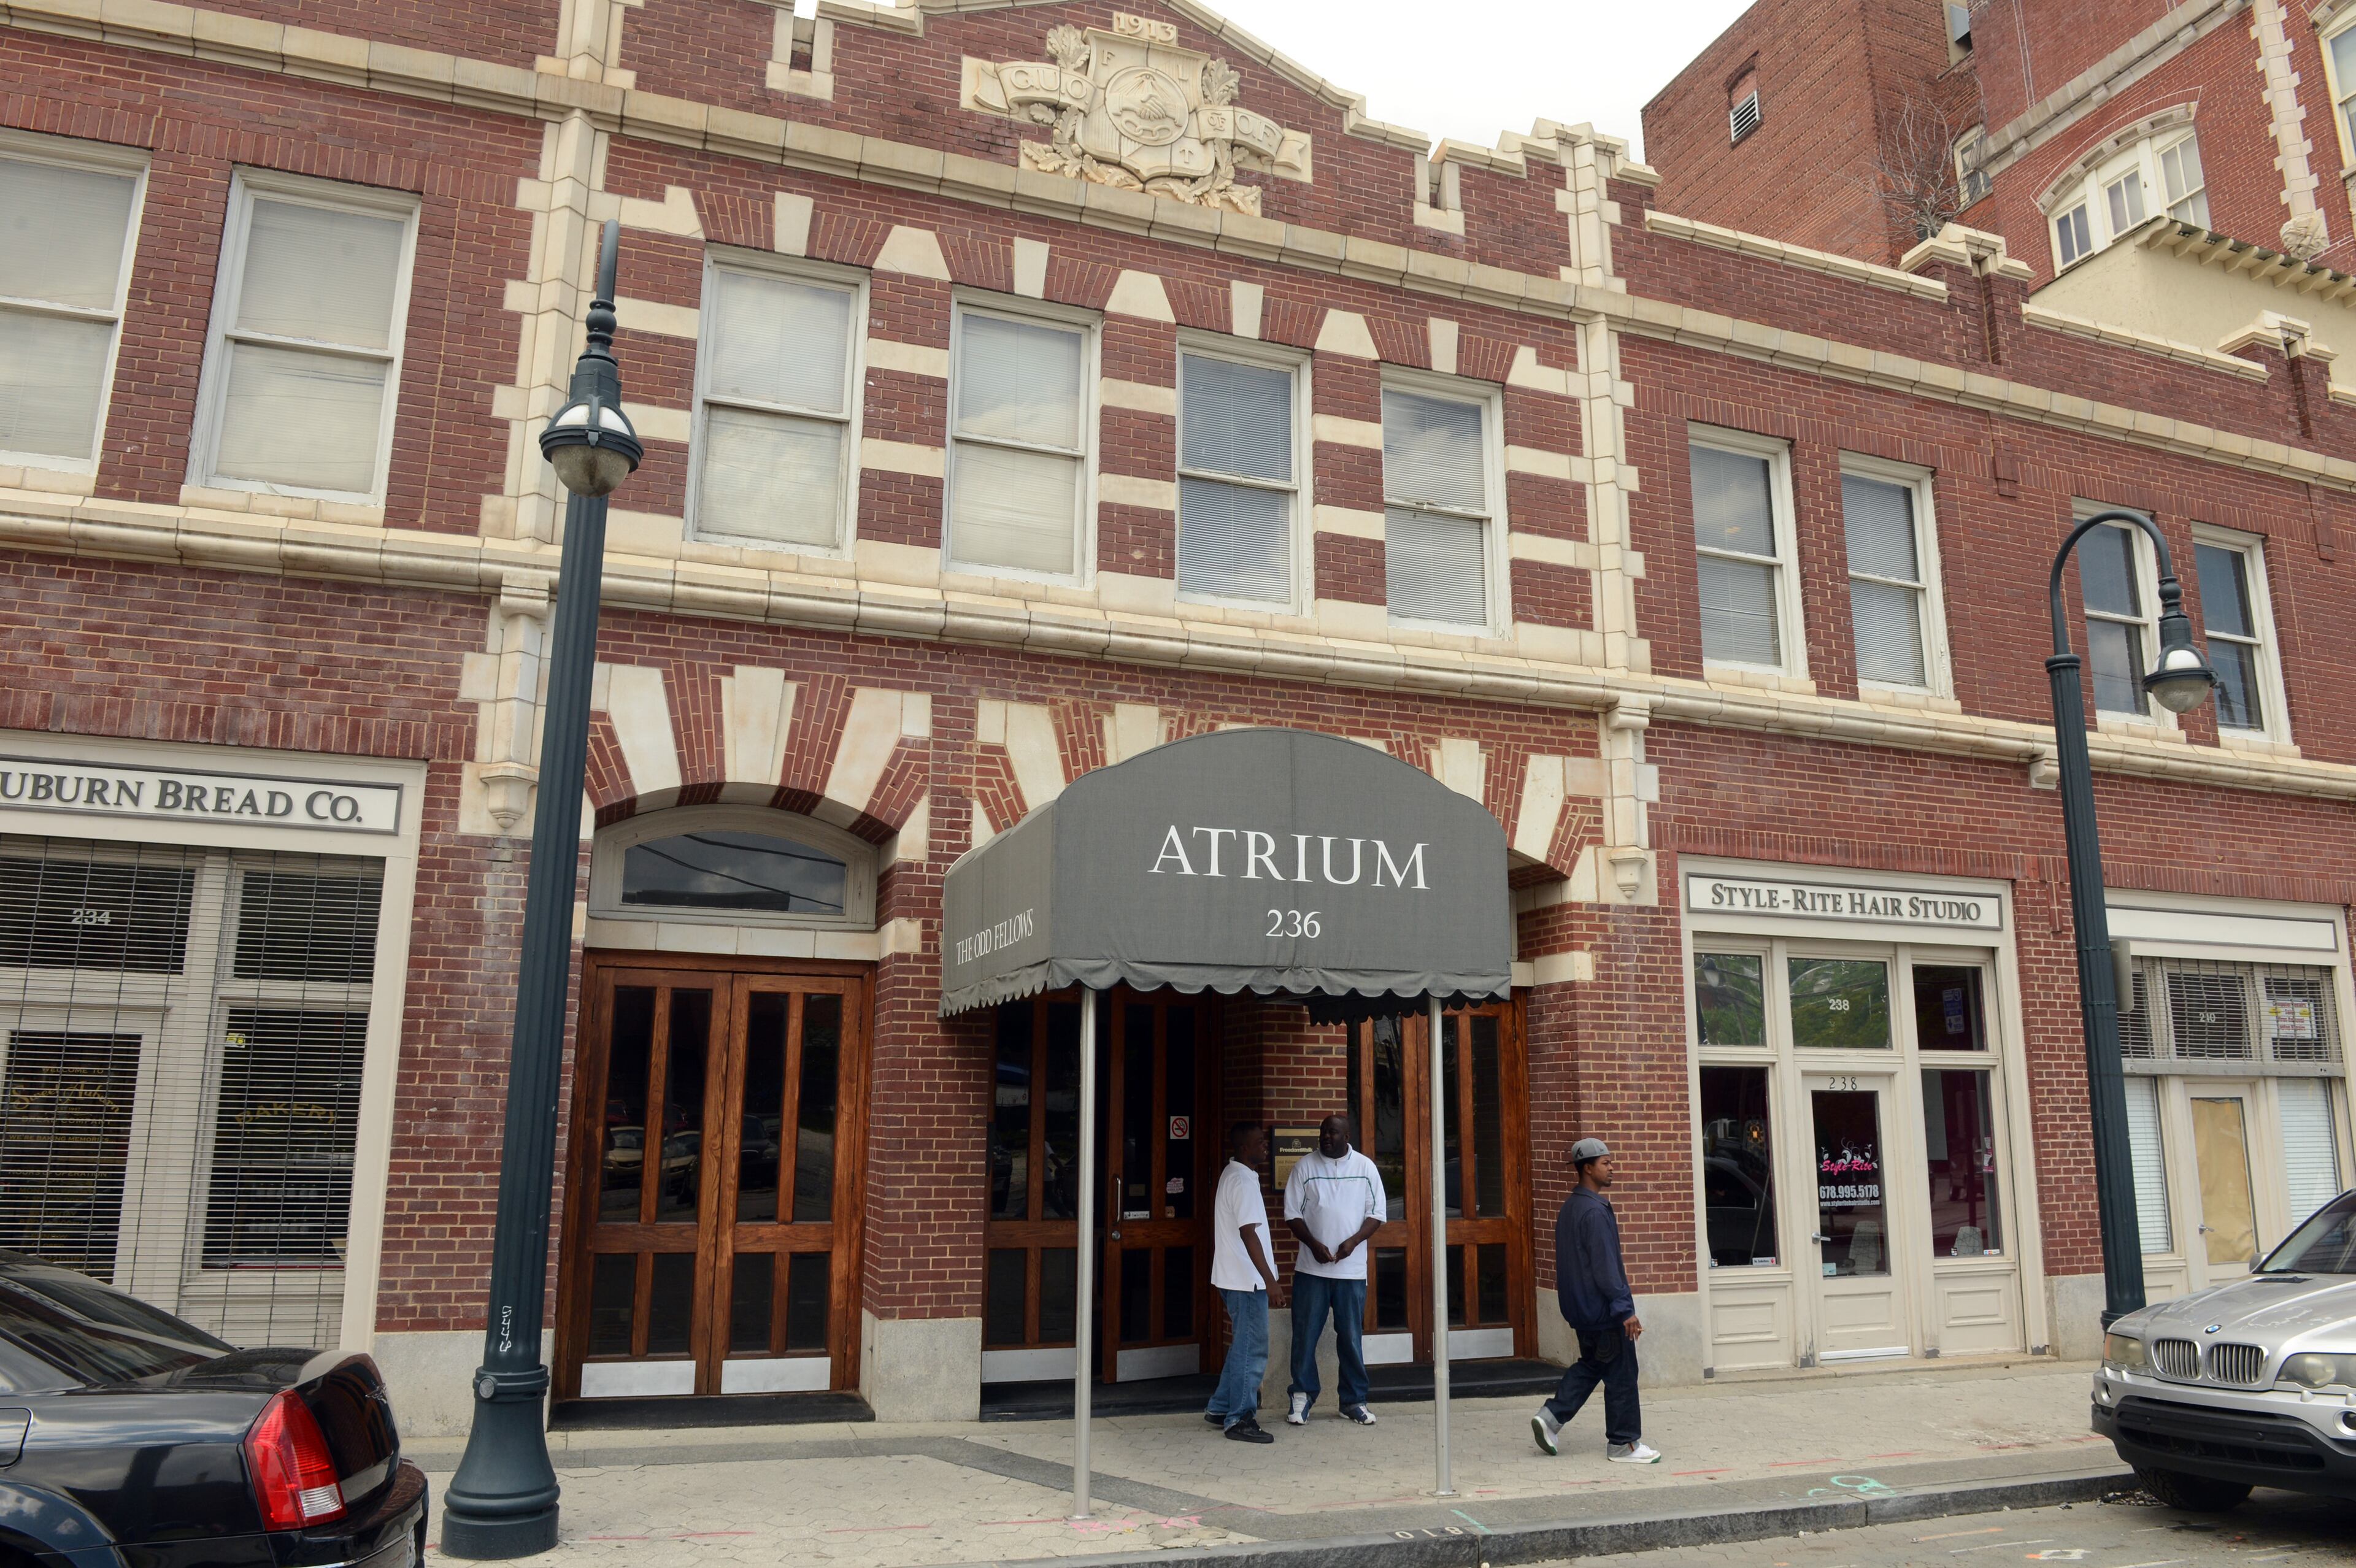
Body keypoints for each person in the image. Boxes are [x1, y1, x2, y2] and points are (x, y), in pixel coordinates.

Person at [1531, 1137, 1661, 1464]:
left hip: (1582, 1311)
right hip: (1604, 1313)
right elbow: (1606, 1267)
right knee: (1621, 1375)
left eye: (1610, 1162)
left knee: (1592, 1365)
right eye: (1605, 1163)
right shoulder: (1594, 1211)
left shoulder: (1571, 1208)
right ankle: (1623, 1444)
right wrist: (1625, 1311)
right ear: (1587, 1169)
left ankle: (1550, 1418)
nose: (1611, 1167)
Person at [1282, 1113, 1384, 1426]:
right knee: (1304, 1336)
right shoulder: (1304, 1167)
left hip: (1351, 1273)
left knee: (1351, 1337)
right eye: (1323, 1132)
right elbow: (1292, 1215)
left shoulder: (1366, 1167)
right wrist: (1313, 1244)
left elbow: (1376, 1213)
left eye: (1334, 1133)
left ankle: (1353, 1401)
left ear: (1347, 1136)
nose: (1327, 1137)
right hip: (1311, 1271)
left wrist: (1352, 1242)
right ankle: (1302, 1396)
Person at [1206, 1121, 1281, 1442]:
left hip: (1233, 1277)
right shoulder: (1242, 1181)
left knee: (1243, 1346)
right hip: (1247, 1282)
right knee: (1253, 1350)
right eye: (1258, 1142)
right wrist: (1271, 1280)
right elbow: (1249, 1234)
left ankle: (1221, 1407)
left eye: (1264, 1141)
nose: (1265, 1146)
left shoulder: (1235, 1174)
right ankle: (1240, 1418)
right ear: (1242, 1148)